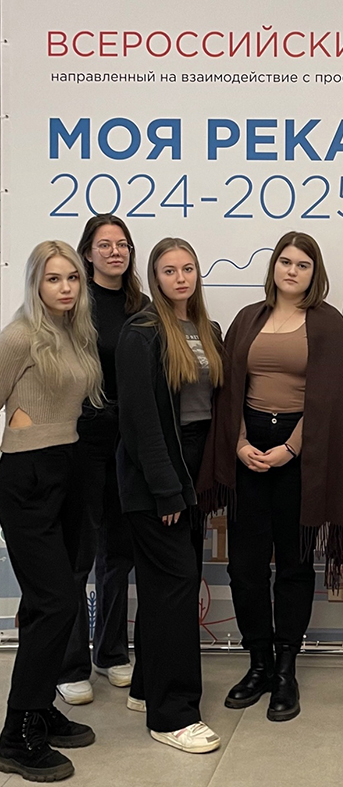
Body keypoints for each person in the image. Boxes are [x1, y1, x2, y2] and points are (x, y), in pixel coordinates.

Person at [200, 232, 343, 723]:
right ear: (273, 267)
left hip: (302, 450)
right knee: (245, 566)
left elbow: (330, 397)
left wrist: (290, 448)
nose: (292, 270)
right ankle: (259, 664)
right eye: (285, 262)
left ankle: (286, 668)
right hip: (248, 443)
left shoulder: (328, 324)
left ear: (315, 273)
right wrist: (240, 443)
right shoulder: (248, 318)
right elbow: (229, 389)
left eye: (303, 265)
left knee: (293, 564)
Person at [115, 238, 223, 753]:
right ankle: (173, 716)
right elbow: (141, 422)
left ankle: (146, 687)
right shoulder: (141, 333)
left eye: (188, 269)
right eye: (168, 270)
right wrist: (166, 492)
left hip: (192, 473)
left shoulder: (206, 329)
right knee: (176, 592)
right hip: (156, 480)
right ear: (154, 278)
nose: (180, 278)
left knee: (167, 590)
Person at [0, 241, 101, 782]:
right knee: (56, 601)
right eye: (53, 279)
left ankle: (37, 709)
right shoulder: (19, 336)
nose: (65, 288)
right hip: (27, 474)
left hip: (69, 466)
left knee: (54, 600)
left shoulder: (73, 333)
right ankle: (15, 735)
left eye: (72, 278)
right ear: (35, 283)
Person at [57, 215, 149, 706]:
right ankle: (70, 665)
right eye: (105, 244)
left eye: (123, 244)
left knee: (119, 552)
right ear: (87, 252)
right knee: (78, 555)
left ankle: (110, 652)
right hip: (81, 436)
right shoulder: (73, 303)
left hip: (127, 440)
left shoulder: (142, 307)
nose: (115, 251)